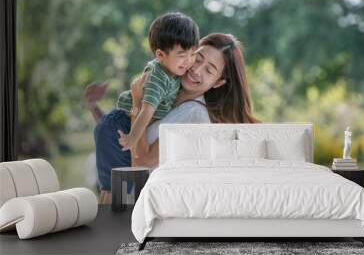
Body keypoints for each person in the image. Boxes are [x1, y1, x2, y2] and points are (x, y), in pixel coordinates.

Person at [85, 33, 258, 204]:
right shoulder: (167, 93)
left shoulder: (194, 116)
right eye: (198, 59)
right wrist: (94, 108)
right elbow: (121, 135)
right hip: (123, 193)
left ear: (218, 82)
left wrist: (138, 102)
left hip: (137, 200)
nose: (196, 70)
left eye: (209, 70)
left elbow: (142, 161)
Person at [115, 12, 199, 160]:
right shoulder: (158, 78)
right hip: (122, 122)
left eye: (193, 54)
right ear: (160, 55)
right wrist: (131, 139)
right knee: (116, 176)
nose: (189, 61)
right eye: (182, 55)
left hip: (136, 123)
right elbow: (146, 111)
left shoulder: (175, 69)